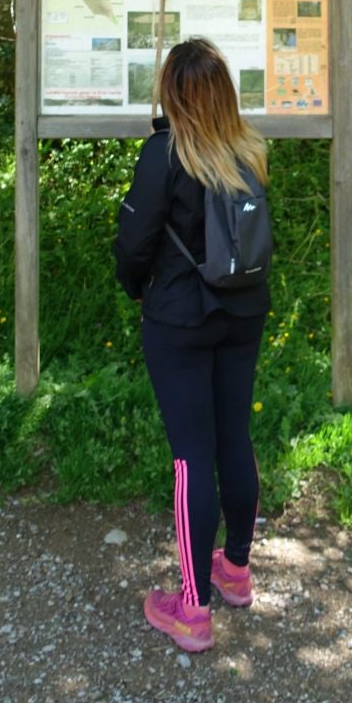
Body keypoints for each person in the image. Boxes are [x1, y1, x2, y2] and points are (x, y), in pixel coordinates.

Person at [114, 37, 270, 653]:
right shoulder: (249, 152)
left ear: (173, 93)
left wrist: (136, 289)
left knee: (190, 456)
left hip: (179, 319)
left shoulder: (165, 154)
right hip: (244, 312)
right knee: (234, 438)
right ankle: (234, 570)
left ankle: (193, 610)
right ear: (225, 94)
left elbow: (134, 244)